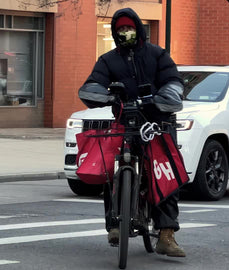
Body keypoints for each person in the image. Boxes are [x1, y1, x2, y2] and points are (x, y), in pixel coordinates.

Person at [79, 8, 186, 257]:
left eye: (129, 28)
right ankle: (115, 225)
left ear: (138, 28)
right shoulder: (108, 60)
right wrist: (101, 94)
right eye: (120, 29)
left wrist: (163, 98)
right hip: (125, 122)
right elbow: (93, 83)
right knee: (112, 172)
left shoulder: (157, 54)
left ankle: (166, 235)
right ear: (115, 33)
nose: (125, 32)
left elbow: (173, 80)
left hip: (158, 123)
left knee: (165, 173)